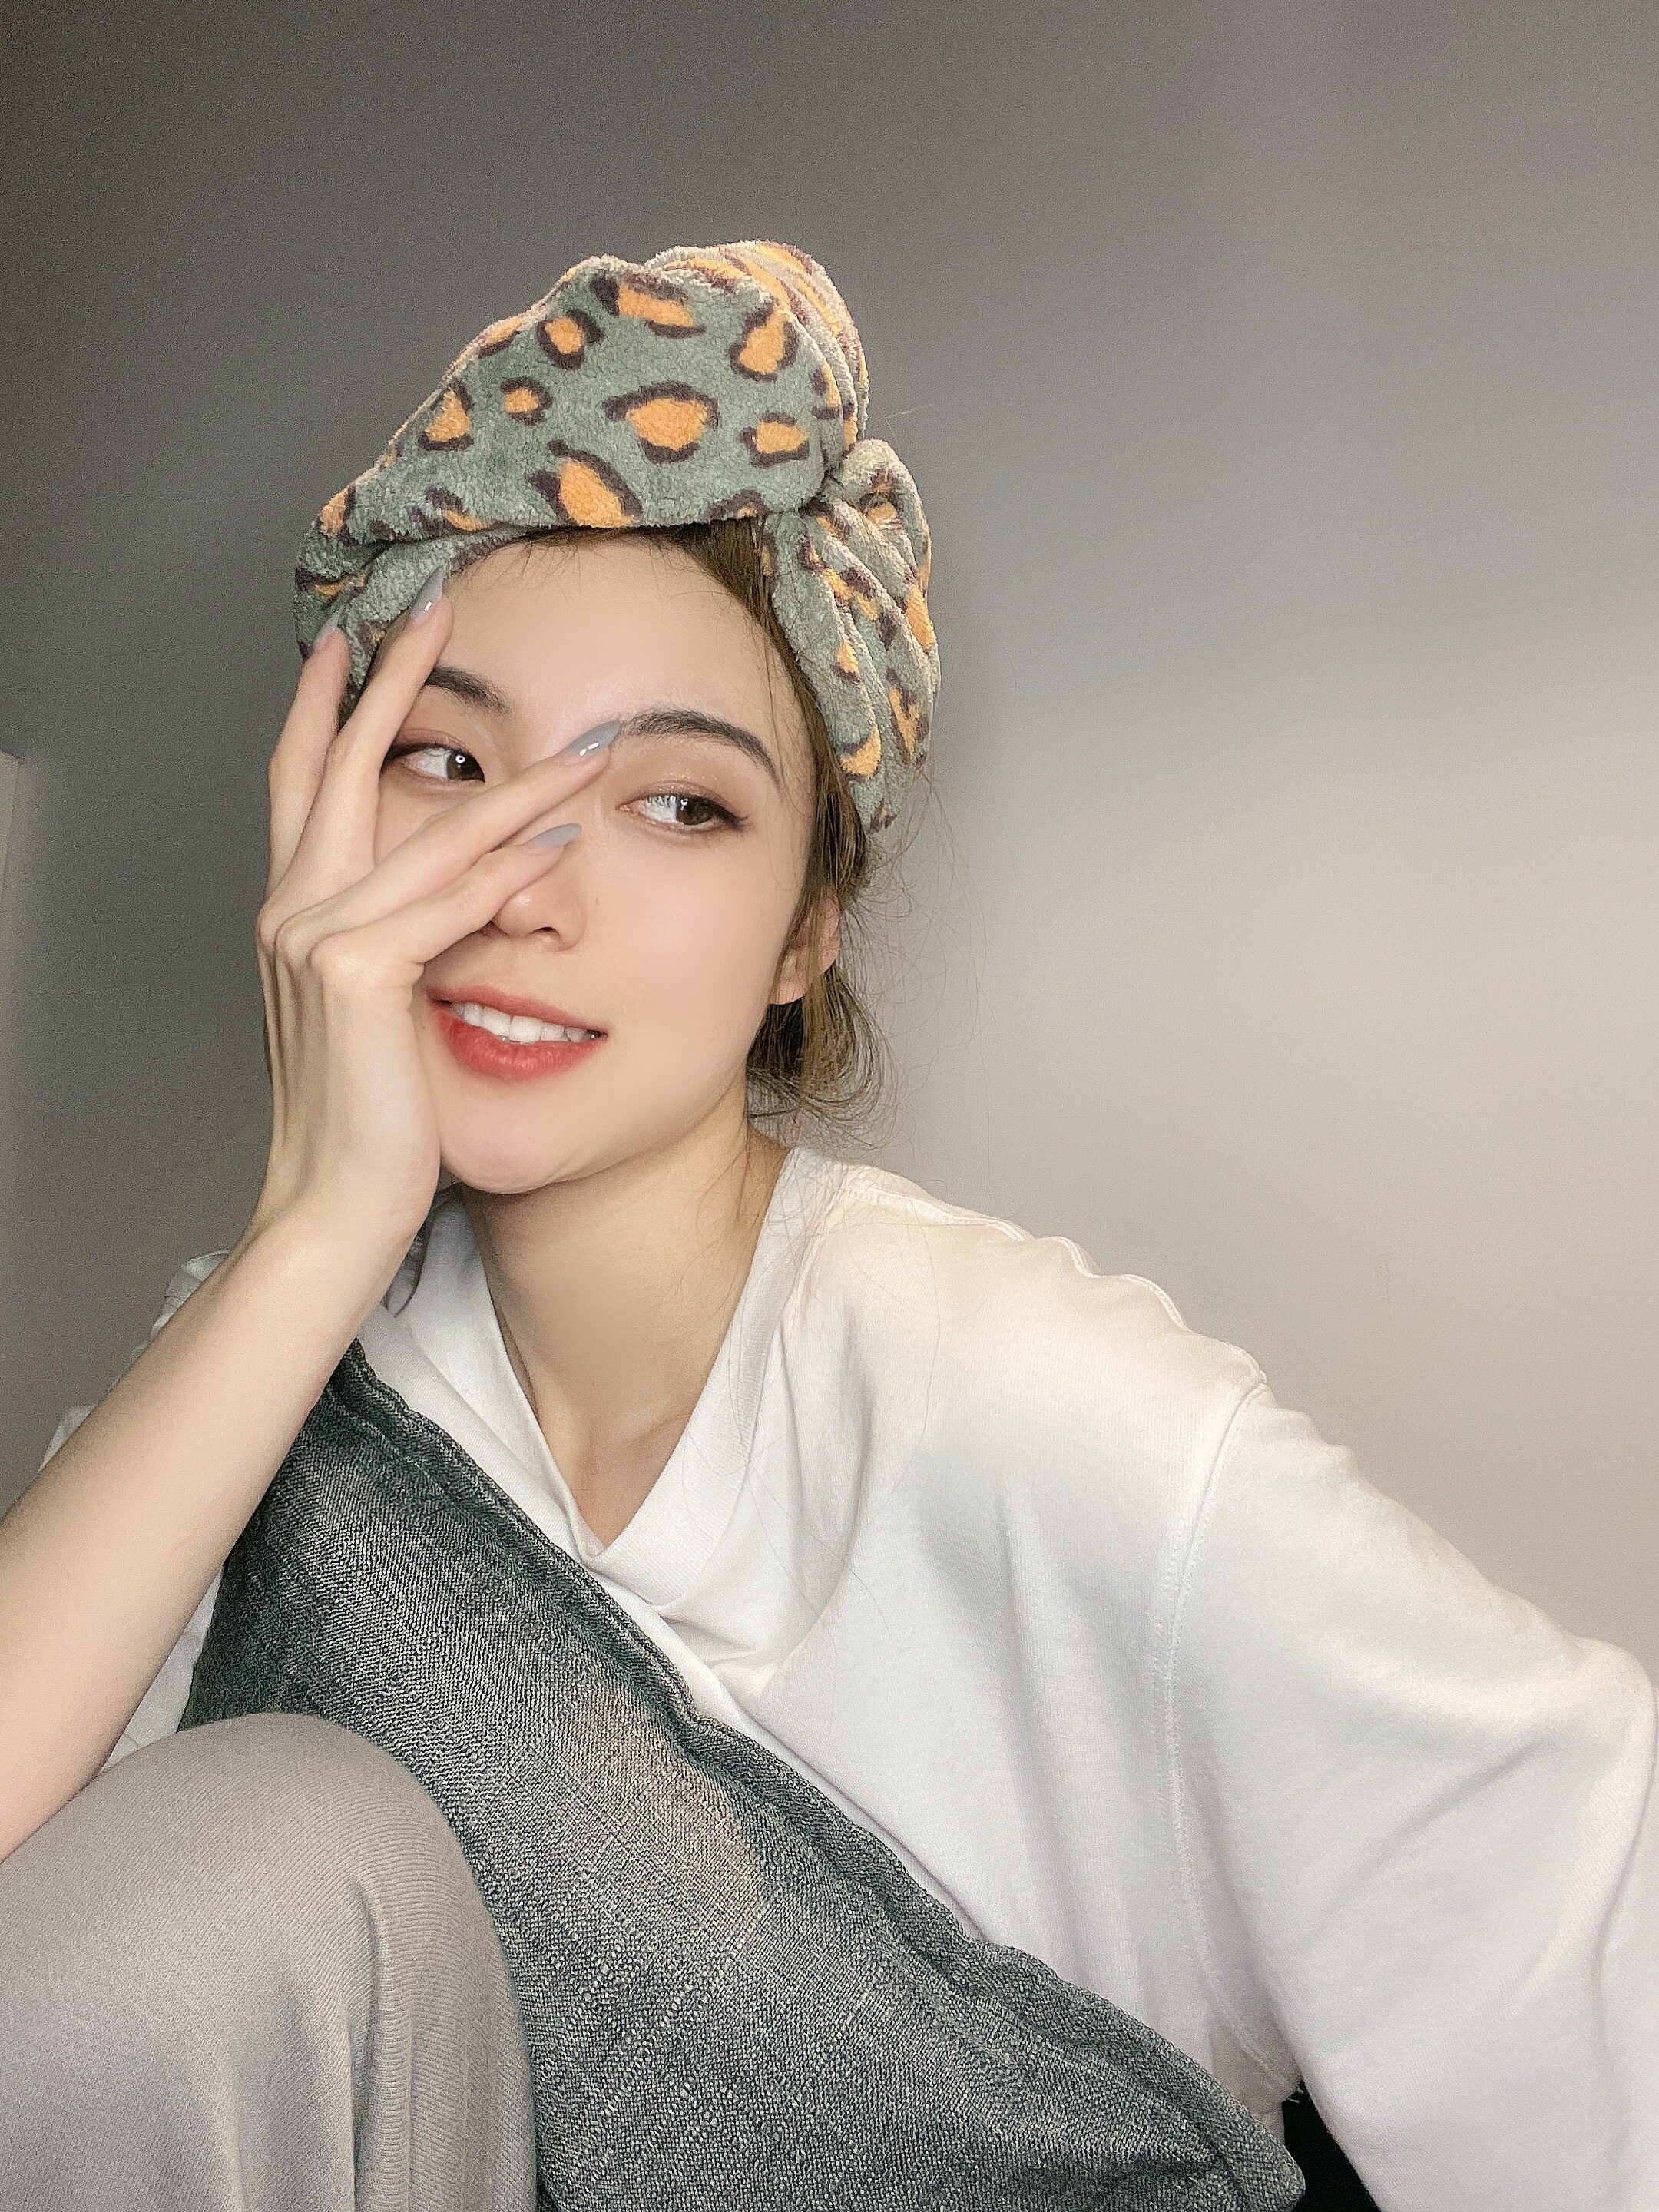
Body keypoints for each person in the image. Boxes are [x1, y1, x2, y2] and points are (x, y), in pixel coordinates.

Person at [2, 240, 1654, 2212]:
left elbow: (1589, 1931)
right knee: (258, 1863)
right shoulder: (262, 1372)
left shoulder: (1044, 1423)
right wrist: (309, 1237)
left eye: (679, 806)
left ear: (806, 931)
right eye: (448, 761)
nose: (525, 889)